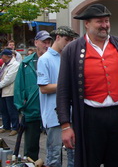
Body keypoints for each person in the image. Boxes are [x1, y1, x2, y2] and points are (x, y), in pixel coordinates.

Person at [56, 4, 118, 167]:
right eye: (99, 21)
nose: (105, 25)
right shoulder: (72, 50)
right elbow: (63, 91)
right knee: (90, 162)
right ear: (86, 24)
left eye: (107, 21)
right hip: (90, 118)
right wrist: (65, 126)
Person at [37, 26, 76, 167]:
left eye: (71, 40)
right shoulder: (45, 59)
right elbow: (44, 88)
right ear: (58, 37)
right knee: (54, 155)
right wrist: (66, 84)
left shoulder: (66, 58)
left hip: (69, 114)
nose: (69, 43)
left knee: (73, 153)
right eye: (67, 39)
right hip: (53, 116)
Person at [14, 30, 53, 161]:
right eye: (44, 42)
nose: (47, 45)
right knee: (31, 147)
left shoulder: (55, 60)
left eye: (49, 42)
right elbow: (19, 86)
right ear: (36, 43)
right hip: (32, 110)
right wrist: (21, 106)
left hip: (51, 109)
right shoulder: (26, 63)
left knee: (54, 146)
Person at [0, 49, 20, 136]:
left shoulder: (15, 65)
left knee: (12, 110)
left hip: (10, 91)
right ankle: (6, 126)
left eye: (2, 56)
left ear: (7, 56)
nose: (1, 58)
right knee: (4, 110)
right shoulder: (5, 64)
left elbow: (9, 79)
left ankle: (15, 127)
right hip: (3, 91)